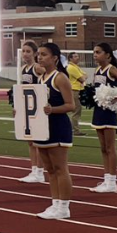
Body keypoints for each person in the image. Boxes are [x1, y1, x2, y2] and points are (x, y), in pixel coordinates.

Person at [32, 41, 76, 220]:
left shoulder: (60, 78)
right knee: (49, 168)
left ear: (55, 58)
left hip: (58, 127)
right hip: (43, 127)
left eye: (44, 54)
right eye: (39, 54)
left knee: (60, 167)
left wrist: (53, 110)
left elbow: (71, 105)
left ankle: (64, 207)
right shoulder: (41, 77)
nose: (39, 57)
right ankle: (55, 202)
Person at [88, 42, 117, 194]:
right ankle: (106, 178)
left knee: (110, 147)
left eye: (98, 52)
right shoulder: (97, 70)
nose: (95, 55)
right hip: (98, 109)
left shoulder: (112, 69)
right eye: (94, 52)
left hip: (109, 111)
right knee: (103, 147)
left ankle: (112, 181)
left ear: (108, 55)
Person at [15, 40, 48, 185]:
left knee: (37, 141)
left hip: (36, 107)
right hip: (27, 107)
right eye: (23, 51)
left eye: (28, 51)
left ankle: (40, 171)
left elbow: (49, 76)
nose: (25, 54)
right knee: (30, 141)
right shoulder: (23, 68)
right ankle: (34, 169)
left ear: (35, 53)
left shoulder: (37, 67)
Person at [64, 52, 87, 135]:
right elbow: (82, 78)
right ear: (70, 58)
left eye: (77, 56)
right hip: (74, 90)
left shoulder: (76, 67)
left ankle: (73, 129)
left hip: (77, 90)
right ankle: (75, 130)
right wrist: (83, 78)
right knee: (76, 110)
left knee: (76, 110)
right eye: (75, 56)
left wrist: (83, 77)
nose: (78, 57)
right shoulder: (71, 68)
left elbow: (85, 75)